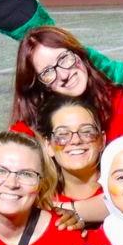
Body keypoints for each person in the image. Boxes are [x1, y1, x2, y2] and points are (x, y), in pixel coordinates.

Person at [13, 25, 123, 140]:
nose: (63, 74)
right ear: (40, 84)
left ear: (78, 53)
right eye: (48, 72)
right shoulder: (30, 128)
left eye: (64, 58)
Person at [41, 97, 112, 226]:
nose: (75, 141)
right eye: (62, 134)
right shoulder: (39, 202)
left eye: (86, 131)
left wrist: (63, 209)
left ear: (102, 140)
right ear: (48, 146)